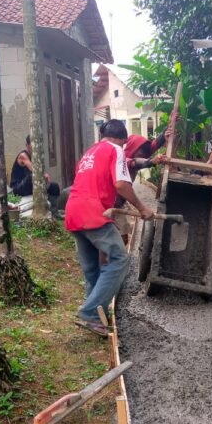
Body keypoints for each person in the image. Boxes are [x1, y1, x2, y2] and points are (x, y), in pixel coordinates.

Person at [65, 119, 154, 337]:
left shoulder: (89, 153)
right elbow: (122, 184)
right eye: (124, 144)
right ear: (121, 139)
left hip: (73, 212)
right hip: (92, 212)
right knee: (119, 259)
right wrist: (142, 208)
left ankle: (96, 317)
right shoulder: (115, 150)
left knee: (93, 270)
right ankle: (91, 313)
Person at [9, 135, 61, 215]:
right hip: (18, 187)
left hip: (29, 186)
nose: (34, 147)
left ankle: (54, 213)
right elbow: (35, 171)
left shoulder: (34, 156)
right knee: (32, 177)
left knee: (54, 186)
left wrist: (47, 182)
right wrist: (45, 176)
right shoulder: (23, 155)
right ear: (27, 145)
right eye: (32, 145)